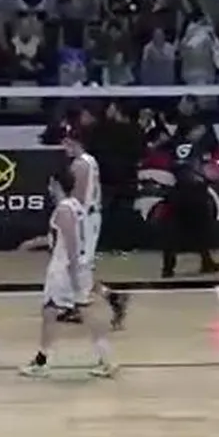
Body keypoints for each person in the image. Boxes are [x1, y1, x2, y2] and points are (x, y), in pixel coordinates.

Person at [17, 171, 117, 379]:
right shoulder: (77, 207)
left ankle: (42, 362)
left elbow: (71, 243)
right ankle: (106, 358)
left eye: (50, 184)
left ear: (56, 184)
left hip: (65, 268)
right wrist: (35, 243)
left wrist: (72, 273)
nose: (48, 188)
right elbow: (60, 238)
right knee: (83, 312)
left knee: (50, 312)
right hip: (78, 266)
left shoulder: (64, 209)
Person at [62, 128, 130, 330]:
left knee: (79, 263)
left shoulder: (80, 164)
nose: (64, 147)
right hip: (90, 215)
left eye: (66, 143)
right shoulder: (90, 161)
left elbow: (79, 196)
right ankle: (90, 302)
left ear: (75, 143)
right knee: (74, 264)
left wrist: (70, 215)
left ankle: (100, 301)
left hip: (84, 217)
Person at [161, 126, 219, 279]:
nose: (201, 133)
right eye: (198, 130)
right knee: (202, 229)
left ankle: (168, 268)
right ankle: (206, 263)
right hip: (195, 192)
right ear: (191, 131)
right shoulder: (198, 148)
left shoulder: (174, 146)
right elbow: (205, 170)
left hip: (178, 191)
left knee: (174, 230)